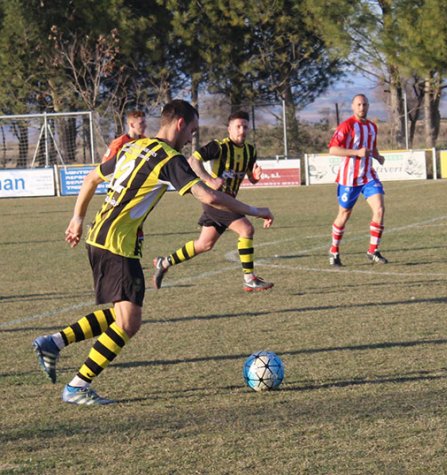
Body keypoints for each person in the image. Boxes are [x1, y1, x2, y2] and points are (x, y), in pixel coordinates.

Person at [31, 100, 274, 405]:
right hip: (118, 244)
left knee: (124, 313)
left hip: (101, 236)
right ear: (181, 123)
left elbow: (92, 178)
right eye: (193, 131)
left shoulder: (133, 147)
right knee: (129, 323)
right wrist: (254, 209)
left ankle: (53, 342)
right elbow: (210, 197)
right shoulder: (169, 158)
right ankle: (77, 386)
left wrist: (77, 218)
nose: (191, 139)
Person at [151, 111, 273, 292]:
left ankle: (164, 262)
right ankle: (249, 278)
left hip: (229, 201)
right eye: (238, 126)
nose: (242, 130)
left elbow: (250, 177)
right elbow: (193, 161)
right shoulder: (219, 147)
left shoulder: (250, 151)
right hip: (215, 200)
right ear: (229, 128)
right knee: (246, 229)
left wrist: (255, 177)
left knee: (204, 244)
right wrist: (208, 179)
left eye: (245, 126)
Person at [327, 94, 387, 267]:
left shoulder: (372, 127)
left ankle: (373, 250)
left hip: (368, 175)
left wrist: (378, 156)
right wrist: (356, 153)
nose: (362, 107)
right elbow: (333, 150)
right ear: (353, 106)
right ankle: (334, 251)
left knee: (380, 209)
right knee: (344, 215)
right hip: (349, 178)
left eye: (365, 104)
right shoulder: (346, 126)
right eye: (359, 104)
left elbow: (371, 148)